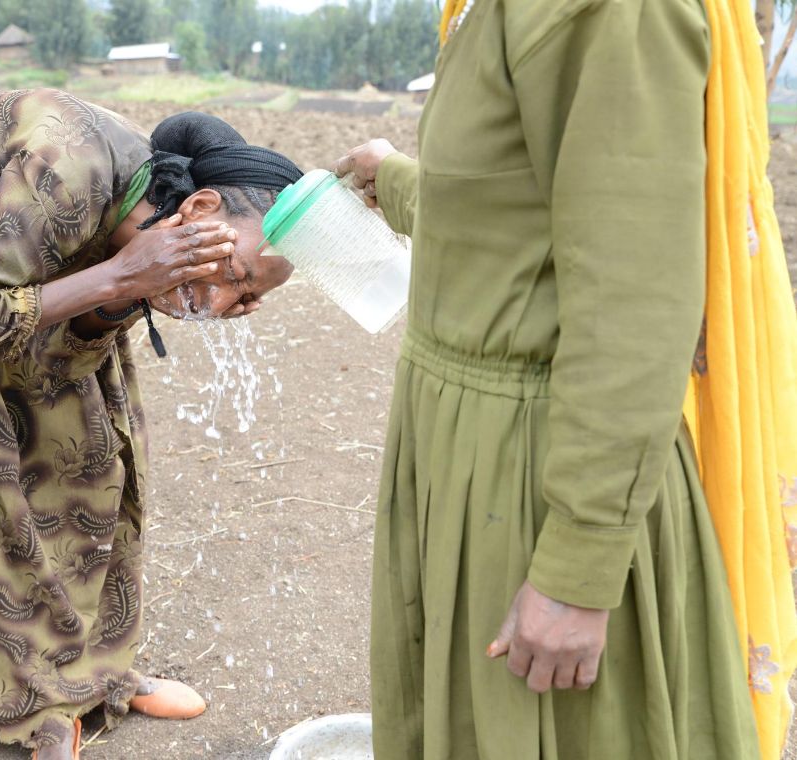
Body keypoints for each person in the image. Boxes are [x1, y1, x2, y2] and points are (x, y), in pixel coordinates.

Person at [334, 0, 797, 757]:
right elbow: (523, 198)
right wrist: (396, 182)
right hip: (475, 456)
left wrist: (577, 569)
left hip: (536, 477)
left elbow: (634, 298)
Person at [0, 91, 300, 759]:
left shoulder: (148, 216)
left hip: (46, 235)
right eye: (236, 275)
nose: (229, 302)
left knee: (93, 443)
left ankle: (104, 669)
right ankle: (33, 699)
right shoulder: (65, 176)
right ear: (196, 212)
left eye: (251, 298)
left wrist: (117, 290)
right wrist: (116, 277)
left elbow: (61, 358)